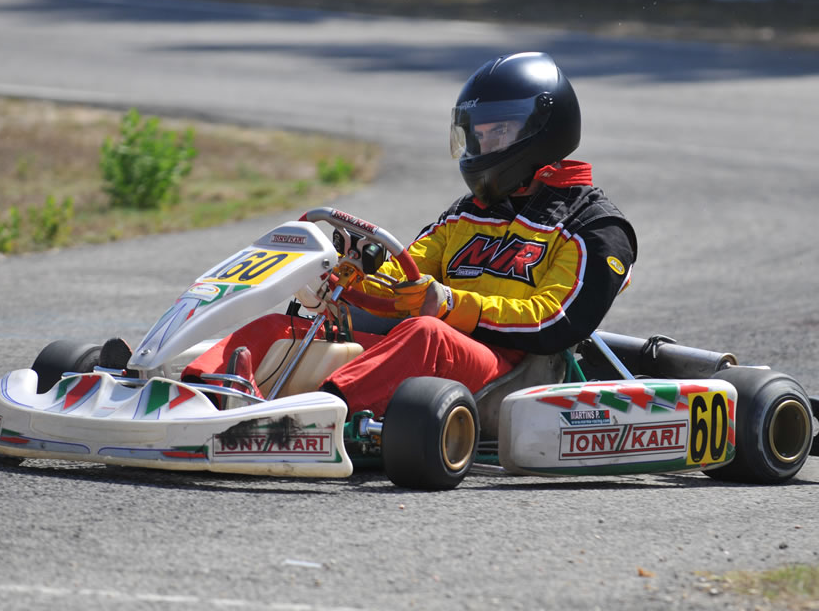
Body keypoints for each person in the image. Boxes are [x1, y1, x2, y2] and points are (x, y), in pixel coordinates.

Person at [179, 52, 637, 416]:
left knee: (426, 333)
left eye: (499, 131)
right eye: (477, 134)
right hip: (436, 365)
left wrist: (454, 306)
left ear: (543, 130)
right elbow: (406, 281)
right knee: (287, 325)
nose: (484, 147)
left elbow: (555, 322)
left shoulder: (594, 226)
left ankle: (313, 418)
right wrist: (347, 277)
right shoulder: (466, 216)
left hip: (517, 377)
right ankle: (195, 395)